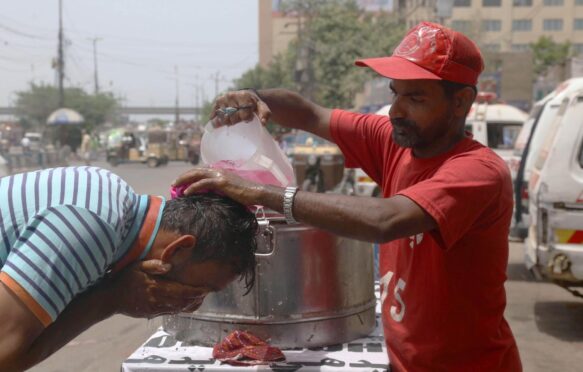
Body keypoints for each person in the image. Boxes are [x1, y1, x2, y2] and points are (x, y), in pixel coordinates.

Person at [173, 22, 522, 371]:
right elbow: (310, 113)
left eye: (415, 98)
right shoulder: (394, 140)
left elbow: (386, 220)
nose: (397, 110)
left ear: (461, 102)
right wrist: (253, 98)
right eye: (395, 93)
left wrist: (260, 193)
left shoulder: (478, 171)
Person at [0, 166, 257, 370]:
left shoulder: (115, 204)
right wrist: (112, 298)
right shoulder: (93, 224)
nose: (193, 305)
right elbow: (4, 354)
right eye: (201, 289)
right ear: (178, 249)